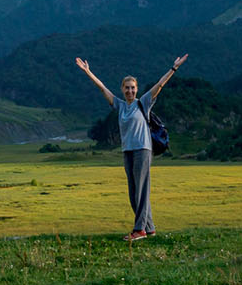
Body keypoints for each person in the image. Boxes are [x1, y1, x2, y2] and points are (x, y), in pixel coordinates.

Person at [75, 53, 188, 241]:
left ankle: (139, 230)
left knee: (142, 189)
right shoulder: (119, 106)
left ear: (136, 89)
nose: (130, 91)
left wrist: (174, 68)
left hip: (143, 150)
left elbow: (160, 85)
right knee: (133, 191)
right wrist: (88, 72)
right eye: (127, 88)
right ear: (122, 89)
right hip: (127, 151)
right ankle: (149, 228)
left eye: (133, 88)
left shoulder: (143, 102)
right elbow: (102, 88)